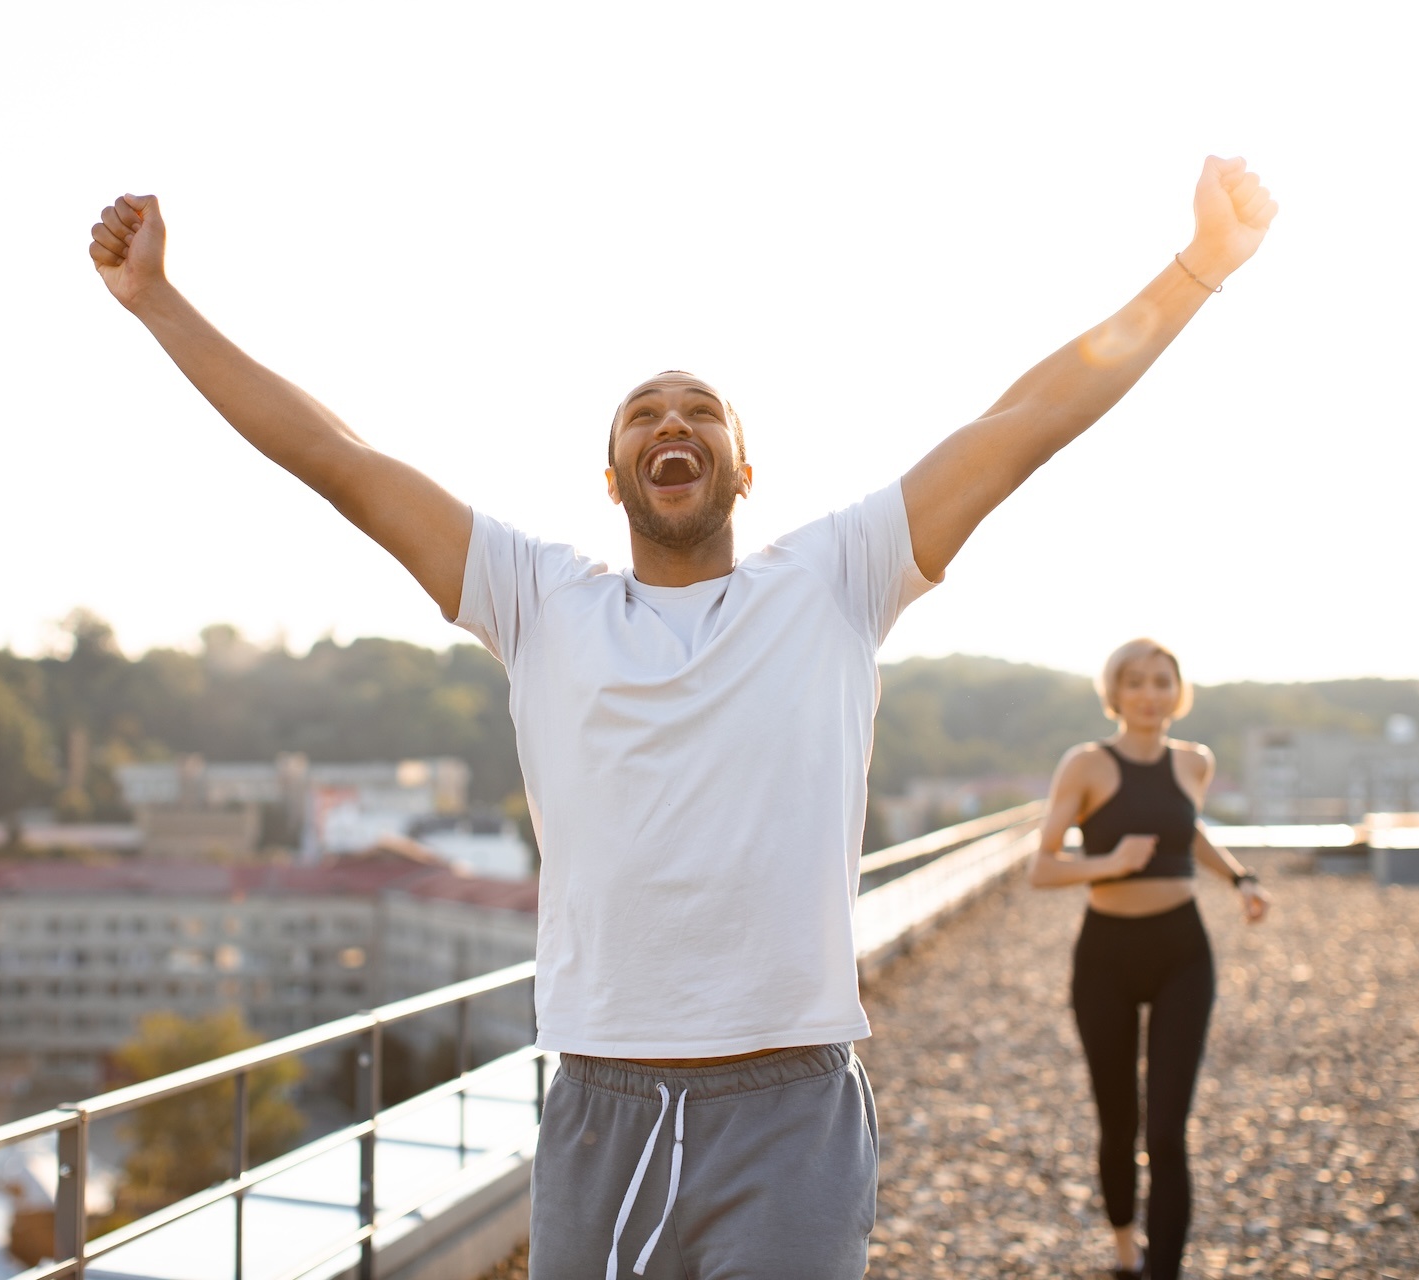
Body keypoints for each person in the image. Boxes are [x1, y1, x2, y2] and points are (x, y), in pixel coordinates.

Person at [86, 157, 1276, 1279]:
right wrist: (160, 304)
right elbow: (337, 456)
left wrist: (1198, 268)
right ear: (613, 475)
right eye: (644, 413)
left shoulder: (839, 577)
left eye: (701, 410)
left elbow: (1025, 421)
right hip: (601, 1103)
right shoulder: (536, 598)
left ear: (742, 469)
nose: (672, 422)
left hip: (789, 1103)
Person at [1029, 639, 1272, 1280]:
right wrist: (1110, 862)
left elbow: (1187, 828)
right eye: (1135, 682)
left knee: (1166, 1132)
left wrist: (1241, 880)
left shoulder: (1195, 763)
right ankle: (1122, 1251)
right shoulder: (1085, 765)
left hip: (1182, 954)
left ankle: (1165, 1271)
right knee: (1118, 1120)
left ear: (1177, 692)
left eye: (1162, 681)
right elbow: (1042, 866)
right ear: (1115, 693)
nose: (1149, 693)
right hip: (1105, 957)